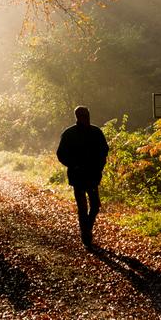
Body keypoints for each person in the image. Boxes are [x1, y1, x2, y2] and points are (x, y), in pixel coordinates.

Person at [55, 105, 109, 248]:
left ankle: (86, 229)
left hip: (92, 176)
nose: (86, 118)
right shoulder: (69, 133)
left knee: (95, 206)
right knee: (82, 207)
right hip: (78, 176)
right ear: (78, 117)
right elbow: (61, 154)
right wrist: (74, 165)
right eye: (84, 116)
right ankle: (86, 234)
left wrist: (99, 167)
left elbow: (104, 151)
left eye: (87, 115)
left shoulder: (96, 132)